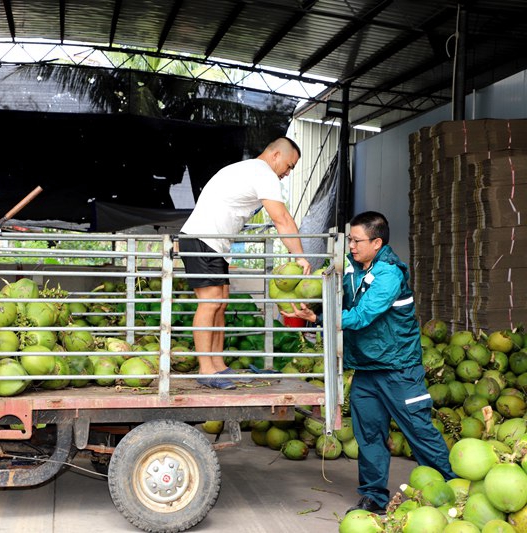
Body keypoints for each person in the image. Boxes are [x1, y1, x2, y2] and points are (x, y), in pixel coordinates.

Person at [282, 211, 453, 514]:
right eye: (349, 239)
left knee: (419, 431)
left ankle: (451, 488)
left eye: (357, 241)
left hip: (399, 370)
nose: (351, 246)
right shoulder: (351, 267)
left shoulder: (389, 274)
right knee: (370, 436)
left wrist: (319, 319)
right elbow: (332, 286)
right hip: (366, 370)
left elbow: (361, 316)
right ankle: (374, 496)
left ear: (377, 242)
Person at [178, 137, 311, 390]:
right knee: (210, 302)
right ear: (275, 155)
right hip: (202, 238)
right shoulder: (263, 173)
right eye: (289, 165)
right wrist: (300, 256)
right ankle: (206, 369)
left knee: (220, 303)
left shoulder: (249, 170)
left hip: (214, 242)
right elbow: (281, 218)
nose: (288, 172)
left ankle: (217, 365)